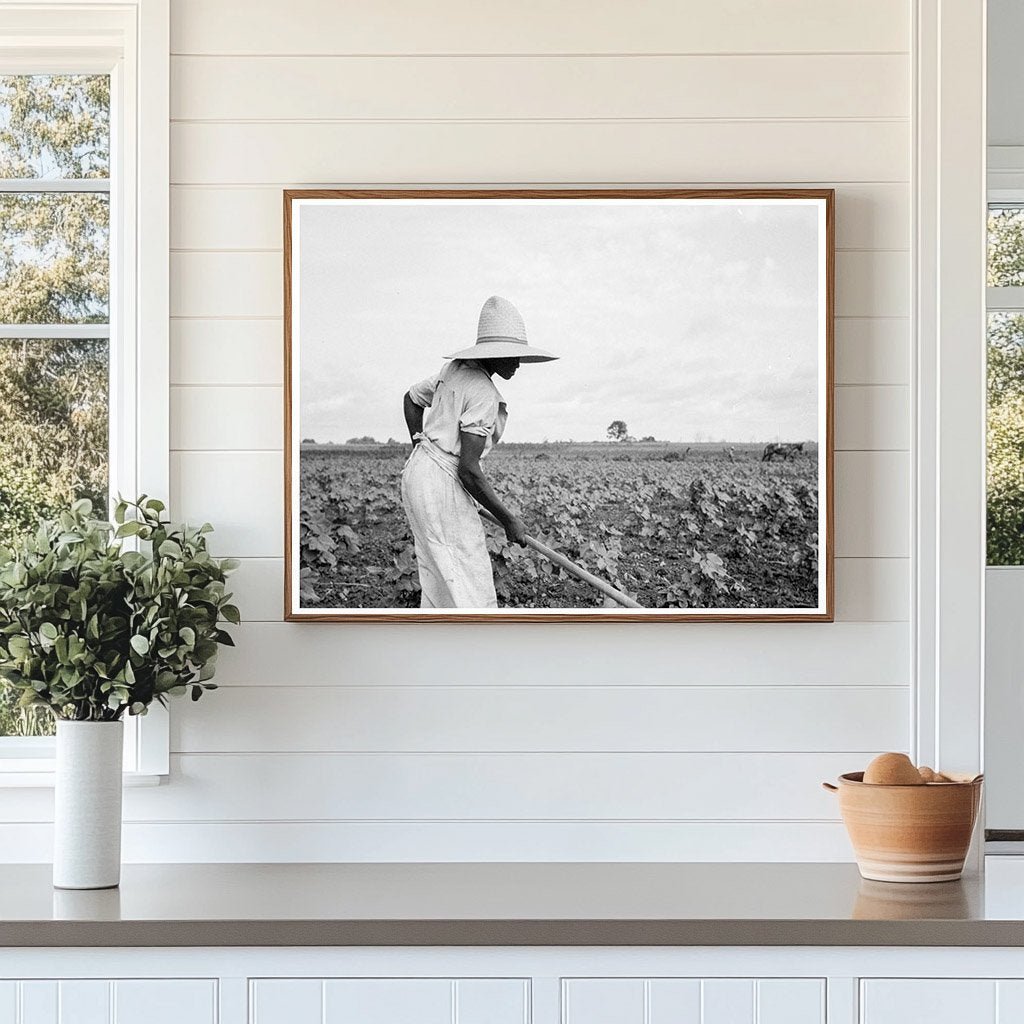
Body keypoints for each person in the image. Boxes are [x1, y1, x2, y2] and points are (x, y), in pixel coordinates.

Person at [401, 295, 558, 608]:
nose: (517, 364)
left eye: (519, 356)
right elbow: (468, 471)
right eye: (510, 356)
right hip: (440, 483)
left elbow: (410, 398)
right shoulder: (484, 393)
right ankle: (476, 643)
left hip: (418, 474)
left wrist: (420, 443)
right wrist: (510, 520)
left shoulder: (453, 371)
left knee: (440, 572)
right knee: (469, 577)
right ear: (491, 354)